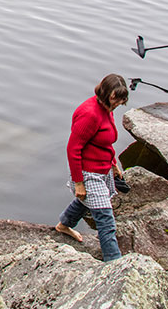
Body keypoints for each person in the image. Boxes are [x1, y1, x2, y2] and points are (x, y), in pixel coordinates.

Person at [55, 73, 128, 261]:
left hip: (102, 169)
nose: (119, 103)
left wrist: (114, 164)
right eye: (116, 99)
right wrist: (79, 182)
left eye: (121, 100)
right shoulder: (90, 114)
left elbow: (104, 142)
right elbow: (73, 149)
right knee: (105, 220)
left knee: (85, 201)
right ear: (106, 93)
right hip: (88, 173)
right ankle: (114, 263)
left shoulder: (107, 109)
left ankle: (63, 225)